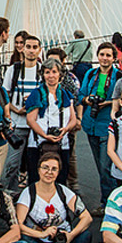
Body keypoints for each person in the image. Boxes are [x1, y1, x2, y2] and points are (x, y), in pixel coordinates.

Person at [15, 153, 93, 243]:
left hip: (63, 241)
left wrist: (72, 235)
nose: (49, 172)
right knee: (24, 239)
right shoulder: (28, 194)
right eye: (45, 168)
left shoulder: (64, 191)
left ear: (58, 172)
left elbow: (87, 217)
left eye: (54, 169)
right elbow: (18, 225)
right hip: (41, 242)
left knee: (86, 235)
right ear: (38, 169)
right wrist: (42, 234)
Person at [78, 42, 122, 215]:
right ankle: (113, 200)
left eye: (108, 55)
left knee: (106, 166)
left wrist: (109, 103)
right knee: (101, 166)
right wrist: (87, 100)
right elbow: (81, 95)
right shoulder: (91, 74)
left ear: (114, 58)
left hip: (108, 126)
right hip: (91, 125)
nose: (105, 58)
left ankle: (109, 204)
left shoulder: (119, 76)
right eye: (102, 54)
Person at [24, 57, 79, 186]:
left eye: (54, 72)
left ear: (60, 74)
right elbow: (30, 120)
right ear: (43, 75)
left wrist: (65, 130)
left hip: (62, 143)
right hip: (38, 144)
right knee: (36, 180)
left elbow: (73, 119)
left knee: (60, 179)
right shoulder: (36, 94)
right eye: (47, 72)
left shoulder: (66, 95)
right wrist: (44, 135)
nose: (51, 76)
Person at [0, 35, 42, 196]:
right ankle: (10, 195)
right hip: (18, 124)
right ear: (22, 48)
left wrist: (34, 103)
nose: (31, 50)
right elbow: (4, 96)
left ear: (39, 50)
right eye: (28, 46)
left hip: (37, 125)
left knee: (37, 164)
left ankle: (35, 196)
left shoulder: (43, 70)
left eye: (34, 47)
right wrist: (16, 110)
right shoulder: (13, 70)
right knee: (12, 164)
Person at [45, 47, 81, 192]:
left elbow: (77, 101)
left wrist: (78, 119)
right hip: (47, 123)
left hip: (67, 123)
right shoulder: (43, 77)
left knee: (69, 155)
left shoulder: (70, 79)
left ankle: (72, 183)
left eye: (56, 61)